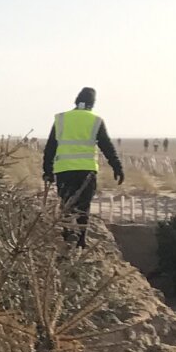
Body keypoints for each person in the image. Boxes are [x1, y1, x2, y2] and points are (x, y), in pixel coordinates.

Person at [42, 87, 124, 248]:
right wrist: (117, 167)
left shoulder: (61, 119)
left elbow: (50, 147)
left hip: (63, 170)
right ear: (93, 103)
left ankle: (67, 235)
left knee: (66, 202)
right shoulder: (95, 120)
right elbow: (106, 146)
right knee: (83, 206)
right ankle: (81, 240)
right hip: (86, 170)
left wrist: (47, 171)